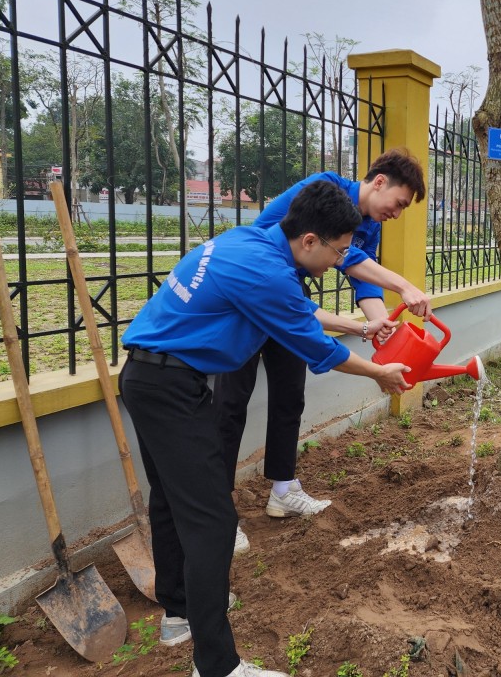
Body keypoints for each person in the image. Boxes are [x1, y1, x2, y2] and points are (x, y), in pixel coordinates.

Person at [120, 181, 411, 677]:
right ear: (311, 240)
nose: (338, 264)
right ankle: (217, 667)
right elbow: (320, 350)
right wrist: (380, 372)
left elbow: (299, 315)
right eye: (339, 252)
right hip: (170, 386)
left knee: (170, 501)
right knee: (212, 522)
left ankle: (178, 614)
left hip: (149, 376)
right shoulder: (267, 272)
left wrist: (362, 328)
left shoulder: (249, 243)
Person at [214, 149, 431, 553]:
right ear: (379, 182)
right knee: (230, 404)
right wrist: (402, 284)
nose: (397, 214)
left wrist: (379, 327)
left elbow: (362, 279)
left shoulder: (368, 224)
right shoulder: (321, 190)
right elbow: (349, 258)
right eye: (399, 203)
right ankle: (219, 513)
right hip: (252, 297)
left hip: (294, 303)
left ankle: (283, 489)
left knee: (289, 395)